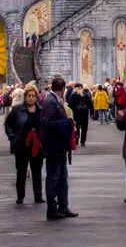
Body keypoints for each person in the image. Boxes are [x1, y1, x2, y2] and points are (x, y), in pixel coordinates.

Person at [40, 76, 77, 220]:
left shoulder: (55, 101)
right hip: (54, 146)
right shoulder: (50, 102)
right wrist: (66, 122)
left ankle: (63, 206)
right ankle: (52, 209)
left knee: (62, 178)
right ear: (63, 88)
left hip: (60, 146)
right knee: (54, 178)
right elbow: (48, 124)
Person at [4, 85, 44, 204]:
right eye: (29, 96)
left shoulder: (41, 110)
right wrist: (12, 137)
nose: (31, 98)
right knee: (21, 172)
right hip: (22, 145)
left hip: (36, 146)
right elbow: (8, 123)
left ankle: (38, 196)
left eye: (33, 96)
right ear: (25, 97)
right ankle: (20, 196)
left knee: (37, 171)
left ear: (36, 97)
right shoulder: (17, 110)